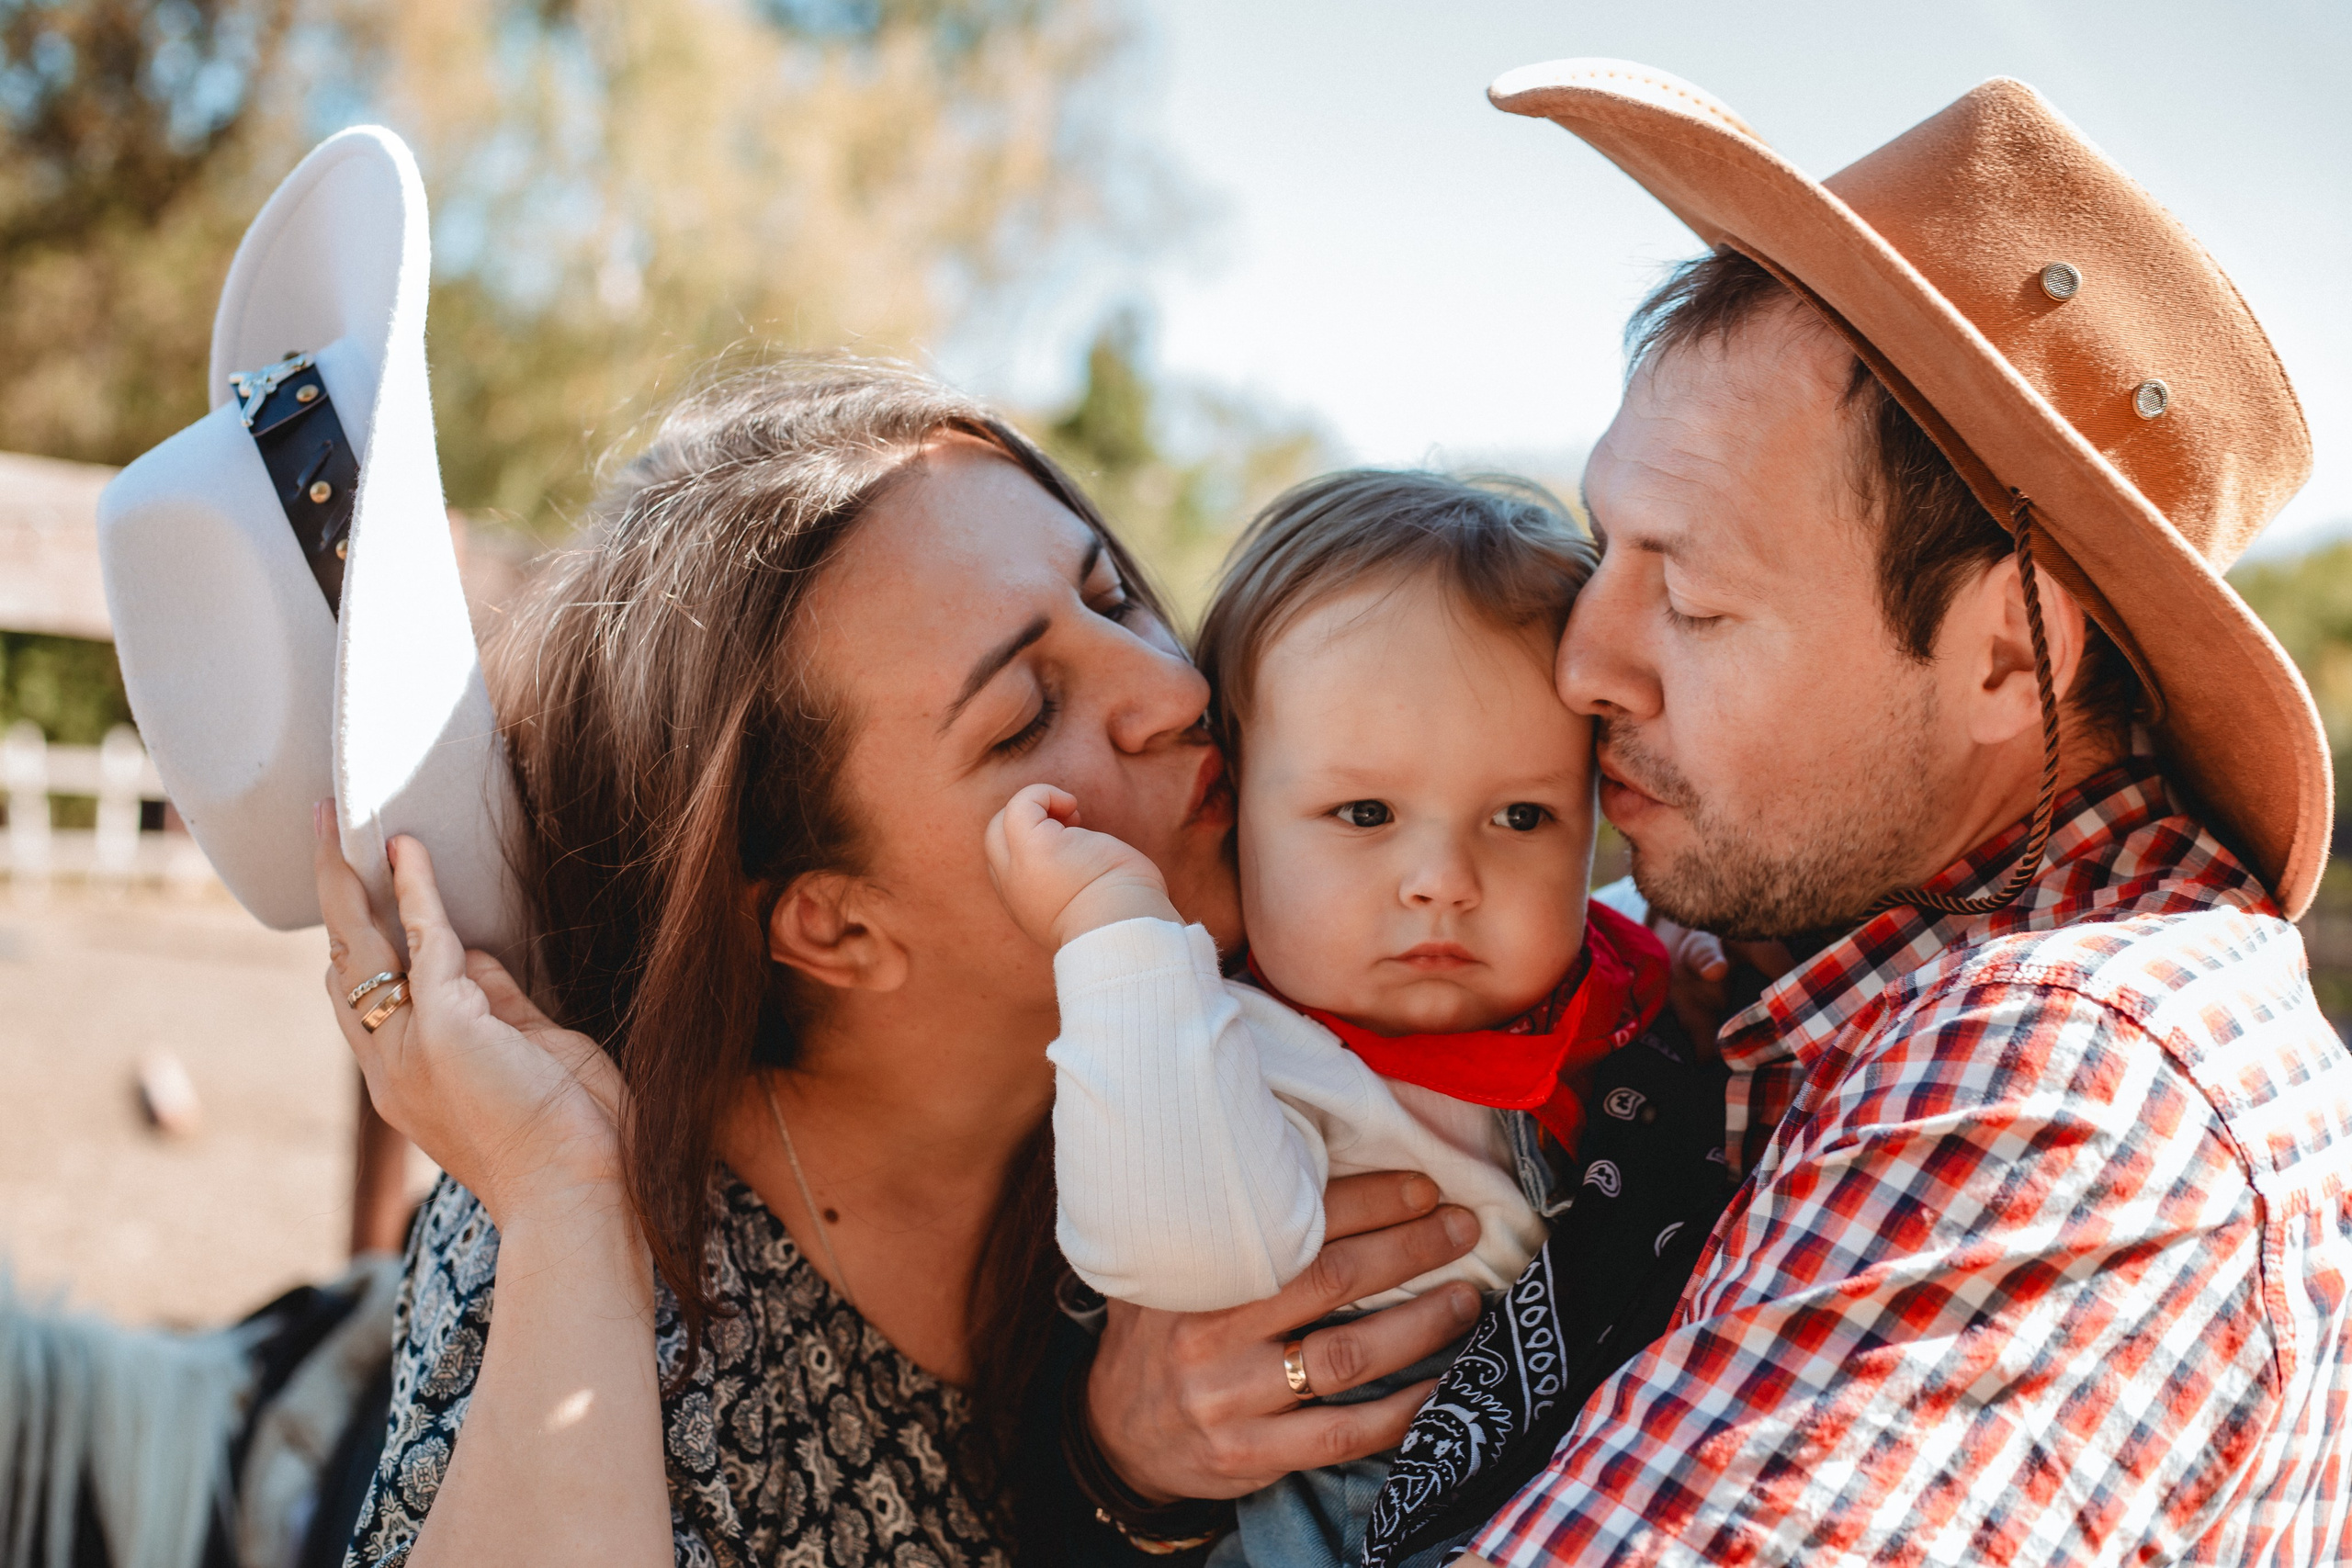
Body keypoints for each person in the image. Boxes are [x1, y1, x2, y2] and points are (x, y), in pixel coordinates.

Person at [1357, 62, 2352, 1568]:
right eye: (1601, 547)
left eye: (1688, 598)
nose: (1584, 660)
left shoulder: (2072, 1075)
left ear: (2011, 652)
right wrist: (1134, 1478)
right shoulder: (1760, 943)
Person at [315, 362, 1501, 1567]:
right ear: (836, 925)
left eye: (1113, 594)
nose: (1177, 690)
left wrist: (1127, 1481)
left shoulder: (1330, 948)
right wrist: (569, 1197)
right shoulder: (580, 1236)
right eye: (1030, 713)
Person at [985, 470, 1682, 1567]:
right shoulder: (1237, 1053)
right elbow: (1175, 1247)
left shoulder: (1641, 990)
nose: (1442, 878)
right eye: (1363, 813)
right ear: (1233, 804)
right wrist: (1115, 931)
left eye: (1521, 814)